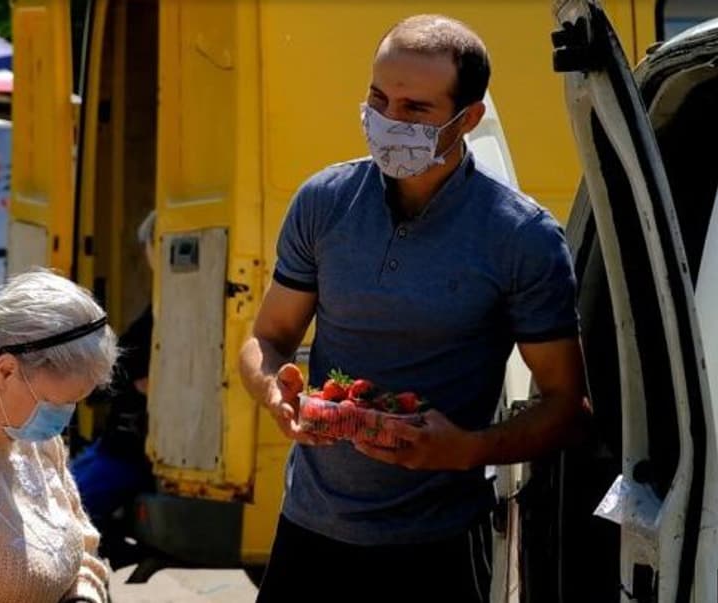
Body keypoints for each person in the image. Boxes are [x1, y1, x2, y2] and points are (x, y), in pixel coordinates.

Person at [238, 15, 590, 602]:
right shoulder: (324, 203)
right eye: (379, 98)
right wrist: (276, 392)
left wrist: (467, 448)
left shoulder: (521, 238)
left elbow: (568, 407)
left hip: (439, 545)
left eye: (415, 109)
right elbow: (266, 338)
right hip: (310, 531)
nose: (389, 121)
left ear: (468, 119)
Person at [0, 269, 116, 603]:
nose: (63, 420)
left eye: (74, 403)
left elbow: (82, 545)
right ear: (5, 372)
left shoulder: (35, 437)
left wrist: (84, 596)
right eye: (55, 403)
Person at [71, 210, 155, 547]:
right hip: (115, 442)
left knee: (70, 512)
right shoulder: (160, 303)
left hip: (130, 449)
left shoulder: (172, 305)